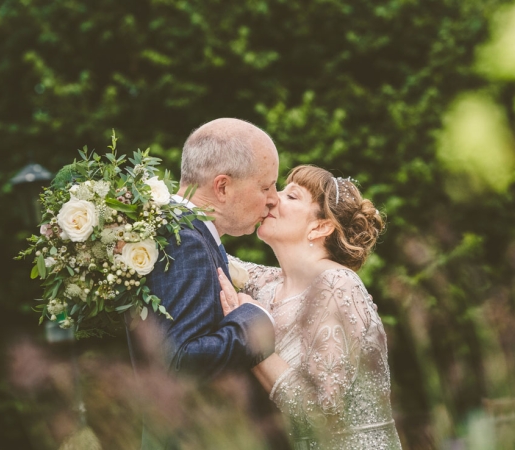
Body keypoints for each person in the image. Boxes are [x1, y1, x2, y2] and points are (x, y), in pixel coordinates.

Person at [219, 165, 403, 449]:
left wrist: (252, 339)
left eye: (291, 196)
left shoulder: (338, 284)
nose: (272, 198)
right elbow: (209, 256)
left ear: (320, 226)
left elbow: (323, 413)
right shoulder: (268, 284)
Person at [138, 118, 284, 448]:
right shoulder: (185, 240)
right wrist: (256, 320)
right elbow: (180, 362)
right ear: (222, 187)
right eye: (265, 187)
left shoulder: (178, 231)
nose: (274, 199)